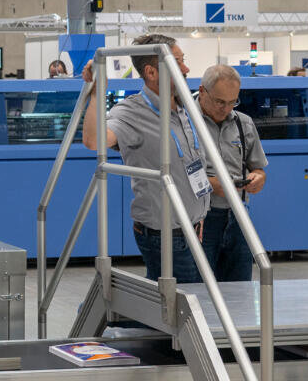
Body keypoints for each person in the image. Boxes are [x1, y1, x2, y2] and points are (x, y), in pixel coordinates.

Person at [80, 33, 208, 283]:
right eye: (178, 62)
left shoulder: (184, 108)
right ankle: (111, 311)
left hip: (194, 226)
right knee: (182, 305)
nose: (186, 68)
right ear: (151, 72)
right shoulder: (132, 111)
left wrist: (199, 216)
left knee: (174, 304)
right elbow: (94, 141)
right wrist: (96, 93)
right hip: (167, 234)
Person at [196, 65, 268, 282]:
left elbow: (257, 167)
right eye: (219, 101)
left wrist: (258, 179)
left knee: (239, 288)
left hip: (238, 217)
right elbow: (173, 173)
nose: (226, 108)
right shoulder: (185, 123)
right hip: (201, 220)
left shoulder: (243, 123)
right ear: (202, 91)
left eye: (232, 102)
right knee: (199, 287)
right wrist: (211, 184)